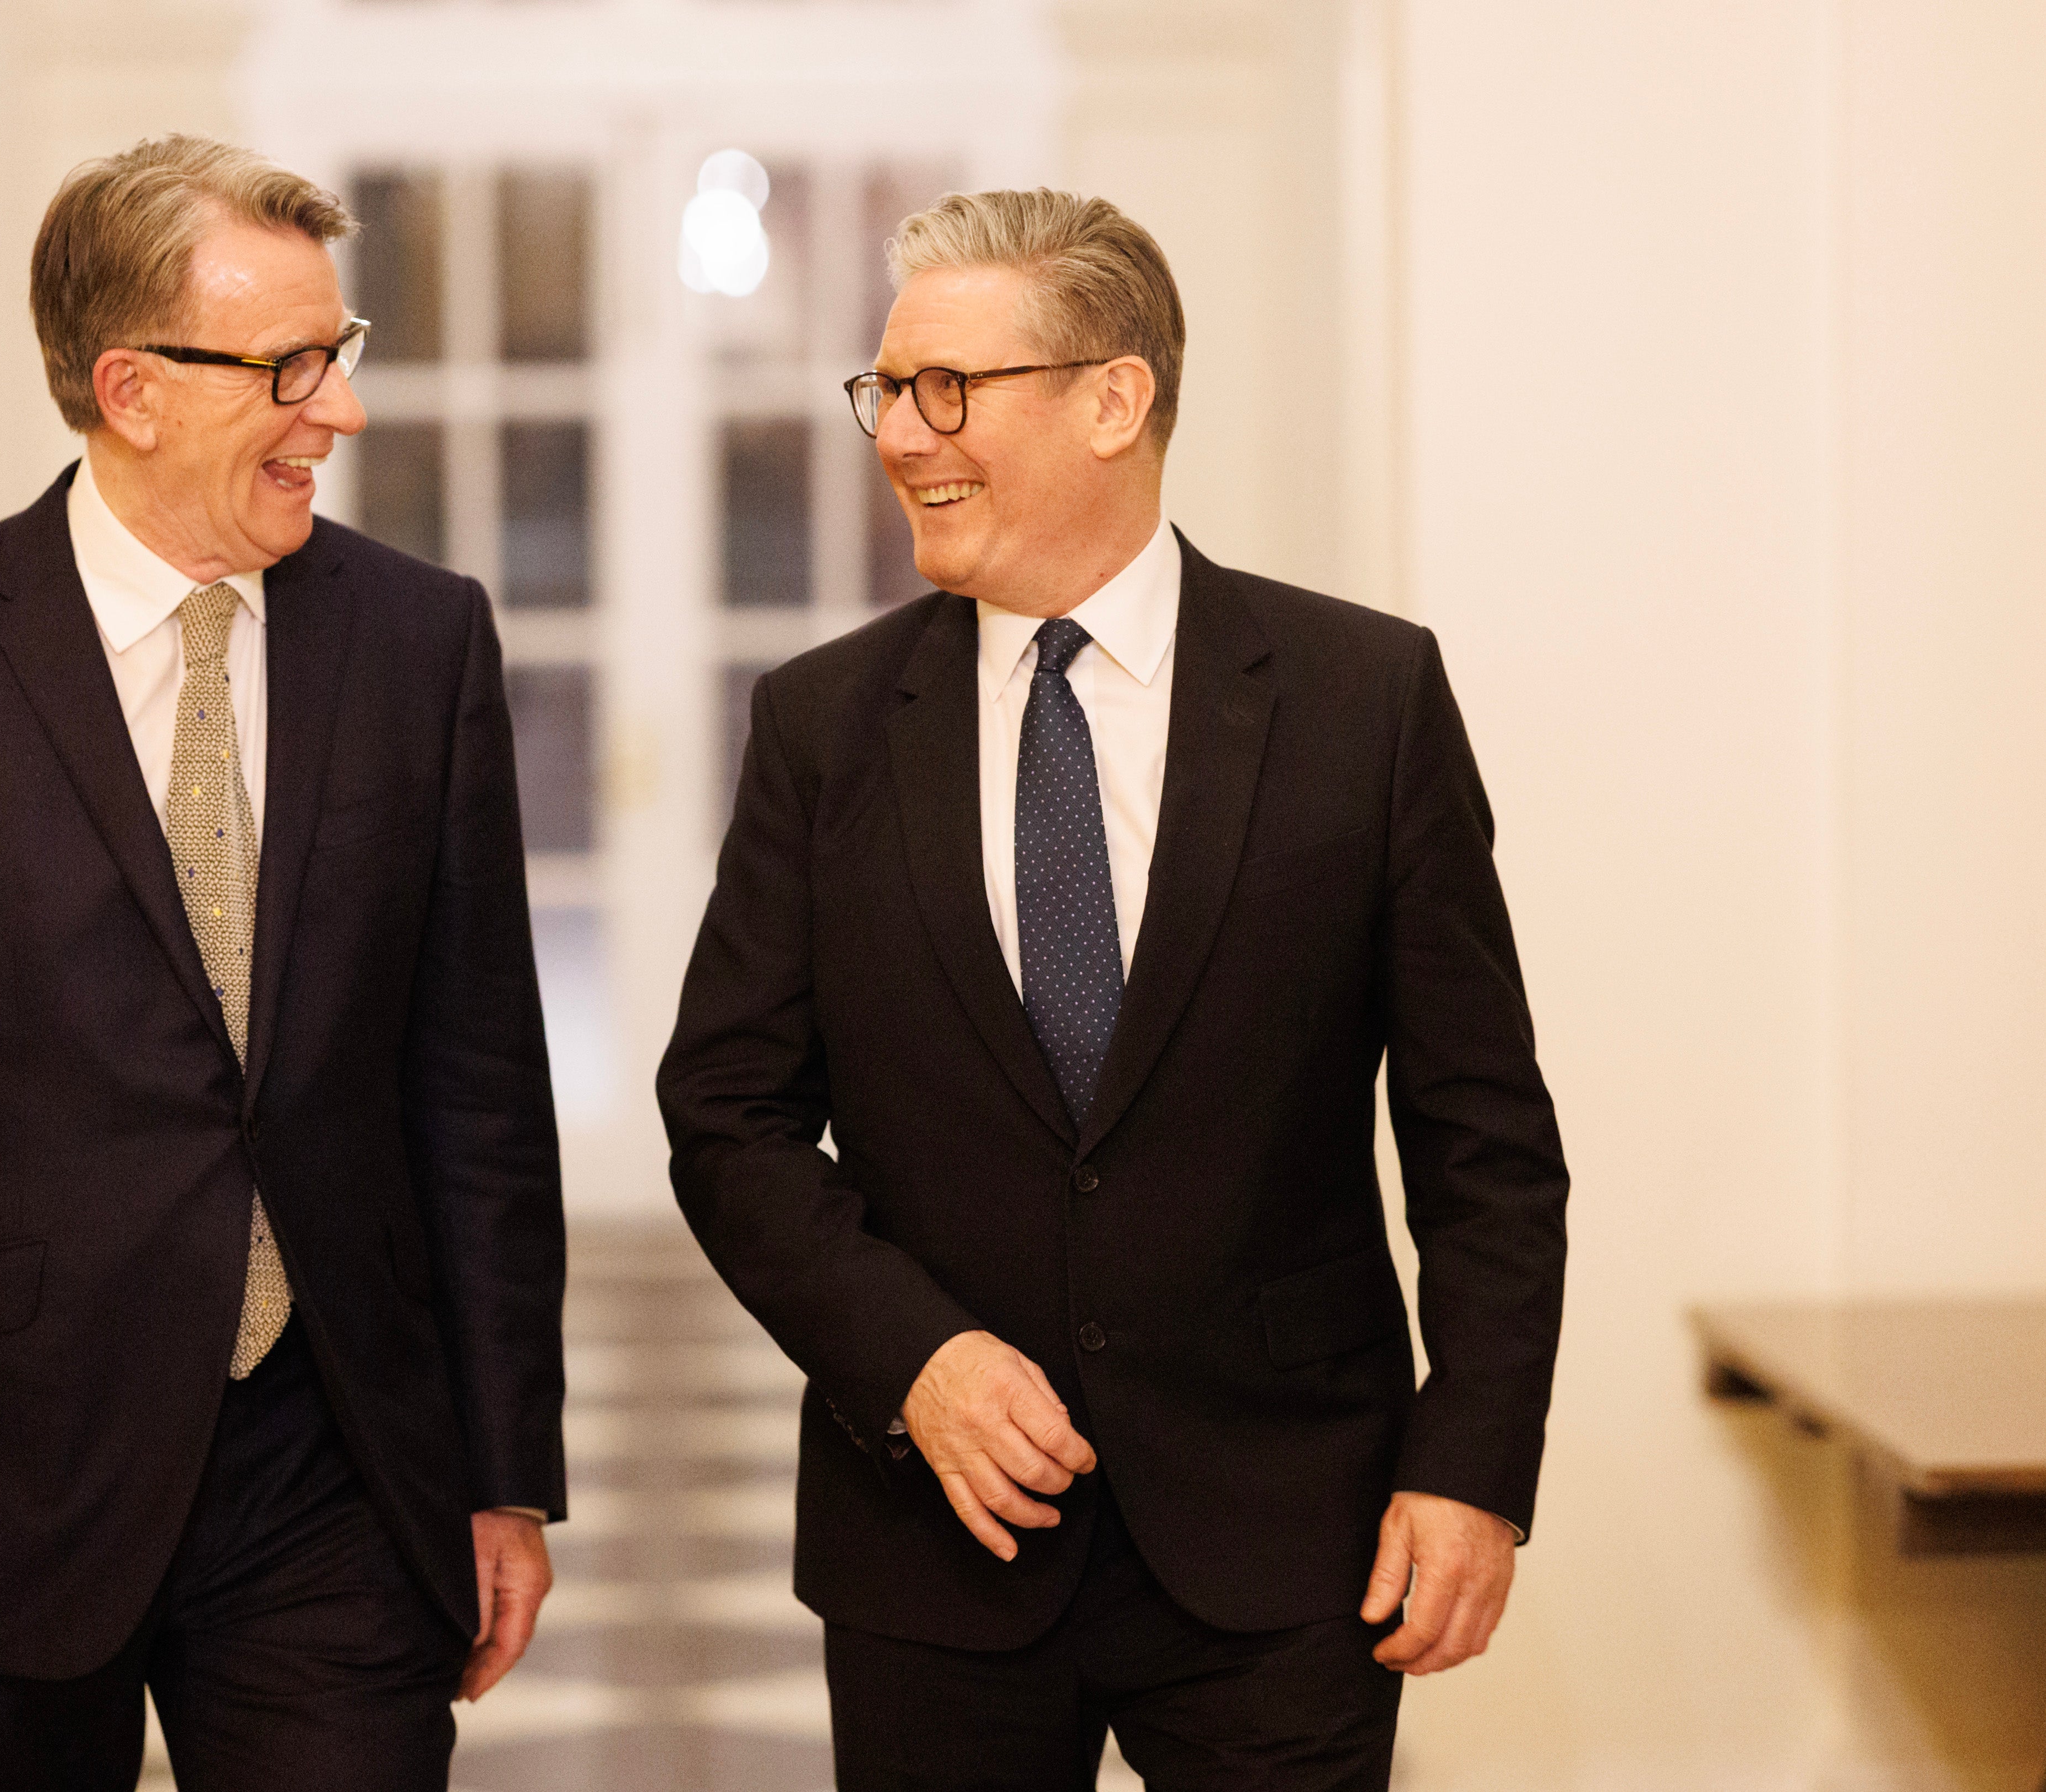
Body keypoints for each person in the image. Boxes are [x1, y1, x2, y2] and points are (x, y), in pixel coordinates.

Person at [656, 188, 1568, 1790]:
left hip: (1289, 1541)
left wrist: (1473, 1470)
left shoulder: (1364, 702)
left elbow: (1482, 1141)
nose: (902, 434)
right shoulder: (822, 727)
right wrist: (911, 1359)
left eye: (950, 389)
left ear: (1112, 397)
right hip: (933, 1546)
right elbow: (724, 1117)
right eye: (887, 391)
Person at [0, 135, 565, 1790]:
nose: (340, 412)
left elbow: (476, 1087)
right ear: (132, 388)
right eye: (291, 368)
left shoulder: (420, 639)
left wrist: (504, 1467)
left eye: (340, 355)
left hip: (336, 1468)